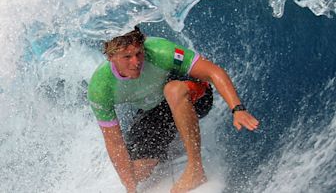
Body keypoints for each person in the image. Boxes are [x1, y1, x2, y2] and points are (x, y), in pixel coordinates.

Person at [87, 26, 259, 193]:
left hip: (193, 93)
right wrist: (130, 188)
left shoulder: (160, 51)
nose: (136, 62)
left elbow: (213, 72)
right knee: (135, 173)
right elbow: (114, 142)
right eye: (127, 56)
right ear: (111, 56)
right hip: (156, 109)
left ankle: (195, 170)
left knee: (173, 90)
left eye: (139, 53)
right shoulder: (101, 87)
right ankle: (167, 147)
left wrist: (238, 109)